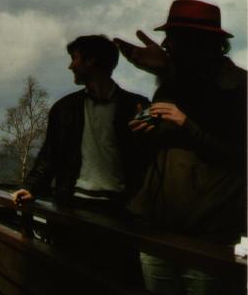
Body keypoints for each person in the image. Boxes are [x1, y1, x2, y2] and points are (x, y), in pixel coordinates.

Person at [114, 0, 247, 295]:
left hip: (208, 236)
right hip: (157, 229)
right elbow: (158, 155)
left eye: (173, 38)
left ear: (200, 43)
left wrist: (186, 123)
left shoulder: (239, 87)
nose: (166, 45)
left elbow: (238, 156)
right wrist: (143, 132)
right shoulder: (171, 86)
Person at [12, 35, 149, 214]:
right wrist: (31, 188)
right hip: (74, 204)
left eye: (74, 58)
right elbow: (50, 154)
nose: (70, 66)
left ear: (91, 61)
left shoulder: (135, 106)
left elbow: (147, 159)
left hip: (122, 209)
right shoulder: (64, 108)